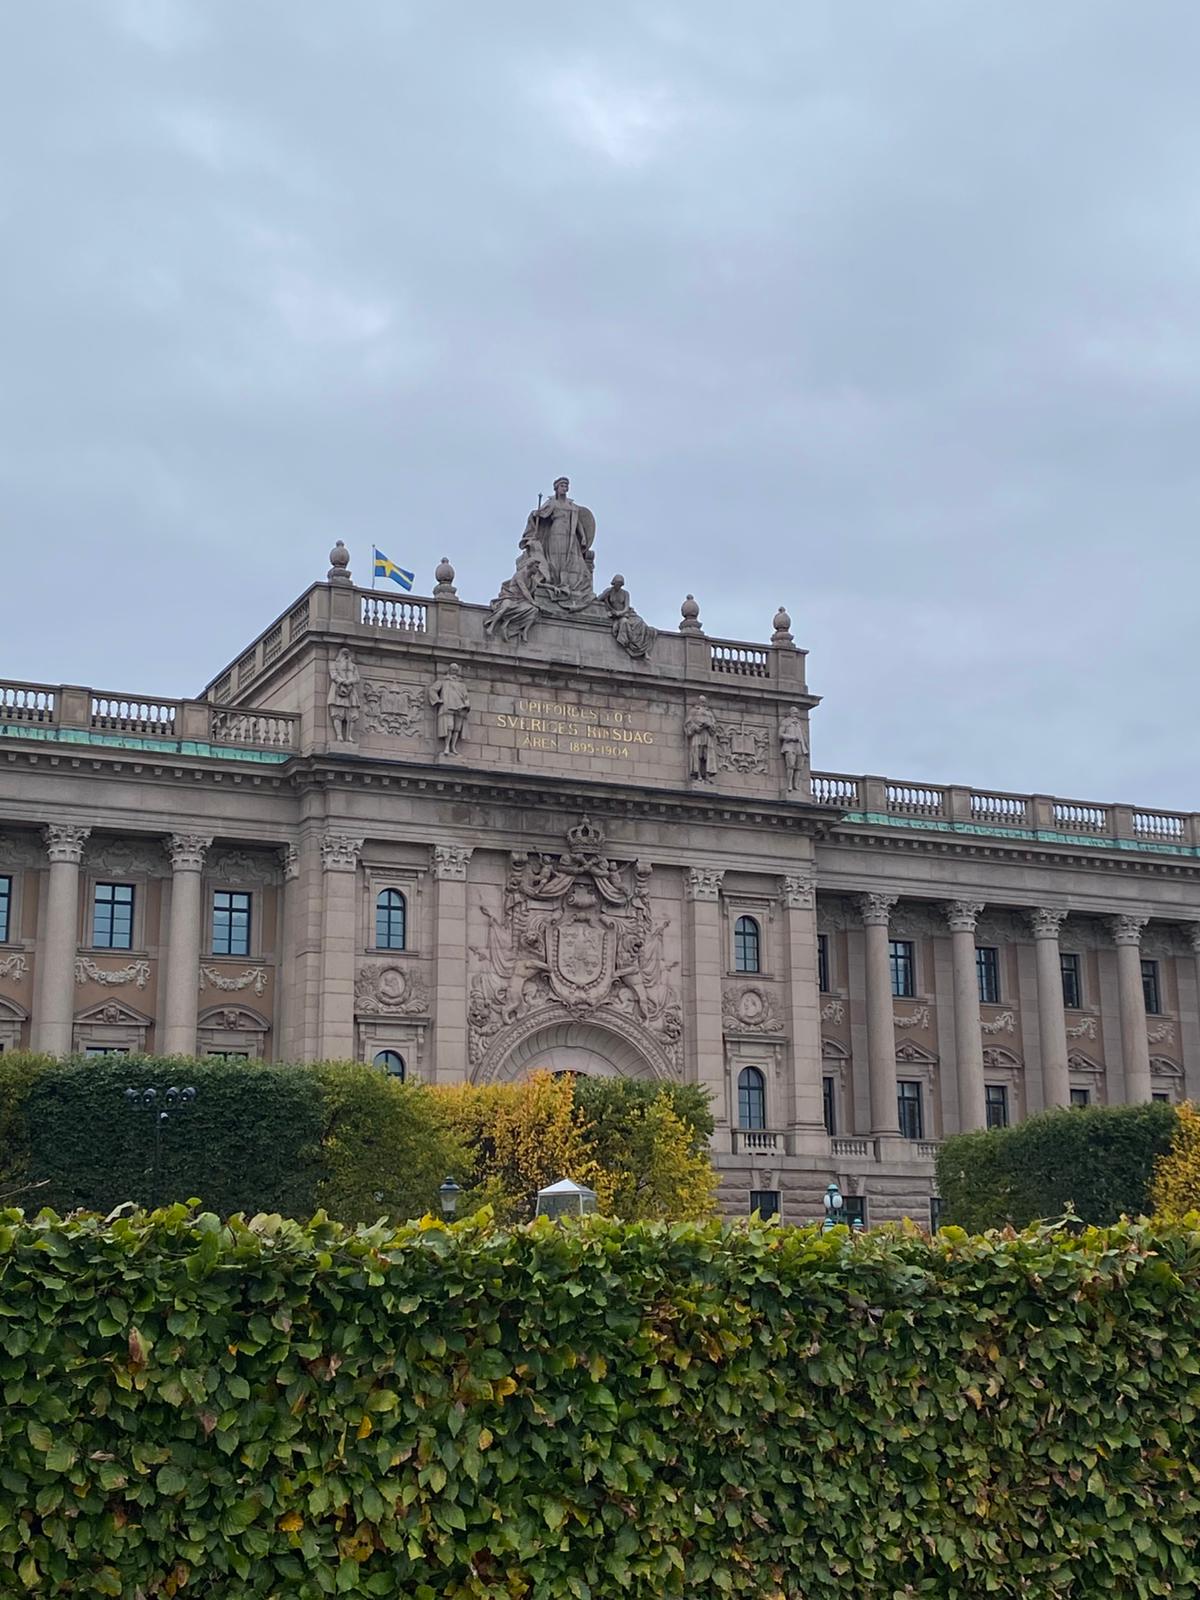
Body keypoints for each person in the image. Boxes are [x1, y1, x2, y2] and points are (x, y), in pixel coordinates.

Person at [522, 477, 596, 608]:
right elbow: (540, 515)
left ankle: (567, 585)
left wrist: (583, 537)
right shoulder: (552, 503)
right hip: (556, 533)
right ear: (556, 488)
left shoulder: (571, 505)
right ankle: (555, 583)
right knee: (556, 559)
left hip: (570, 535)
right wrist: (536, 514)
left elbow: (577, 522)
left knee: (571, 560)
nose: (565, 488)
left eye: (566, 486)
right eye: (562, 485)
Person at [600, 575, 656, 659]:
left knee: (640, 622)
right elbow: (598, 599)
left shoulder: (625, 593)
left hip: (626, 614)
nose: (619, 585)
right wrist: (605, 595)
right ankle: (628, 644)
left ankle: (642, 650)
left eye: (620, 584)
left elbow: (626, 607)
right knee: (624, 622)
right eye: (617, 583)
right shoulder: (609, 591)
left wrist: (620, 613)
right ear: (614, 583)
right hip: (617, 617)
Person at [429, 663, 470, 756]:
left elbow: (466, 697)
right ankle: (447, 746)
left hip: (460, 708)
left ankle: (453, 747)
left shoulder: (461, 684)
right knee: (449, 727)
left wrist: (466, 705)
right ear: (449, 670)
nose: (454, 671)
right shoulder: (443, 681)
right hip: (448, 707)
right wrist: (437, 700)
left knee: (457, 729)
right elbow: (432, 690)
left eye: (456, 670)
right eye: (453, 669)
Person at [327, 647, 360, 742]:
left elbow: (357, 678)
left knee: (353, 714)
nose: (346, 656)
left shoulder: (353, 666)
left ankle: (349, 736)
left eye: (347, 654)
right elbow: (334, 675)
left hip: (351, 691)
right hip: (338, 689)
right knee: (337, 713)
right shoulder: (334, 664)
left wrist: (349, 682)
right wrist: (343, 681)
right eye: (344, 654)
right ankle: (339, 735)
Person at [684, 695, 717, 781]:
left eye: (704, 702)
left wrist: (709, 725)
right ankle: (698, 774)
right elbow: (688, 724)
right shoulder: (693, 711)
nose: (703, 703)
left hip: (707, 735)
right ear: (698, 702)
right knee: (697, 754)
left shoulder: (709, 713)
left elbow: (714, 725)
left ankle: (706, 774)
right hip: (697, 735)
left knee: (706, 755)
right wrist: (696, 727)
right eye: (702, 701)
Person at [779, 705, 809, 792]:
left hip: (800, 747)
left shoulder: (799, 723)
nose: (796, 714)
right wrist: (791, 737)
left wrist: (806, 748)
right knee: (791, 765)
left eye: (797, 713)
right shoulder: (785, 722)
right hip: (789, 746)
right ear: (790, 713)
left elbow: (804, 736)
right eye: (794, 712)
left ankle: (796, 785)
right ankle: (789, 784)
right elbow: (780, 735)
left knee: (799, 767)